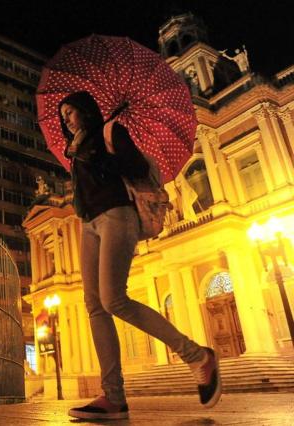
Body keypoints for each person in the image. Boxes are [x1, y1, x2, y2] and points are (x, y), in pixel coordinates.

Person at [59, 92, 222, 420]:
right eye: (63, 115)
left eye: (72, 111)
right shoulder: (75, 149)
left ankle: (196, 355)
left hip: (117, 215)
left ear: (87, 111)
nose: (67, 119)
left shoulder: (109, 132)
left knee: (114, 300)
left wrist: (93, 154)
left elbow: (132, 165)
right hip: (88, 223)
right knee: (94, 307)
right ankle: (114, 397)